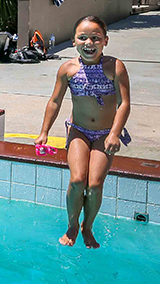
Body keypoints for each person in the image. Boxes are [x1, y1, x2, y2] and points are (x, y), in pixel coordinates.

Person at [35, 15, 132, 249]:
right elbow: (55, 102)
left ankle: (87, 227)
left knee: (94, 184)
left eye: (95, 38)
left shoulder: (115, 67)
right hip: (78, 130)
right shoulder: (67, 69)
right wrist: (43, 132)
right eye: (83, 37)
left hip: (105, 133)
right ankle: (71, 224)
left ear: (105, 41)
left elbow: (124, 103)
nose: (89, 42)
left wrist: (115, 134)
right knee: (78, 180)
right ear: (73, 41)